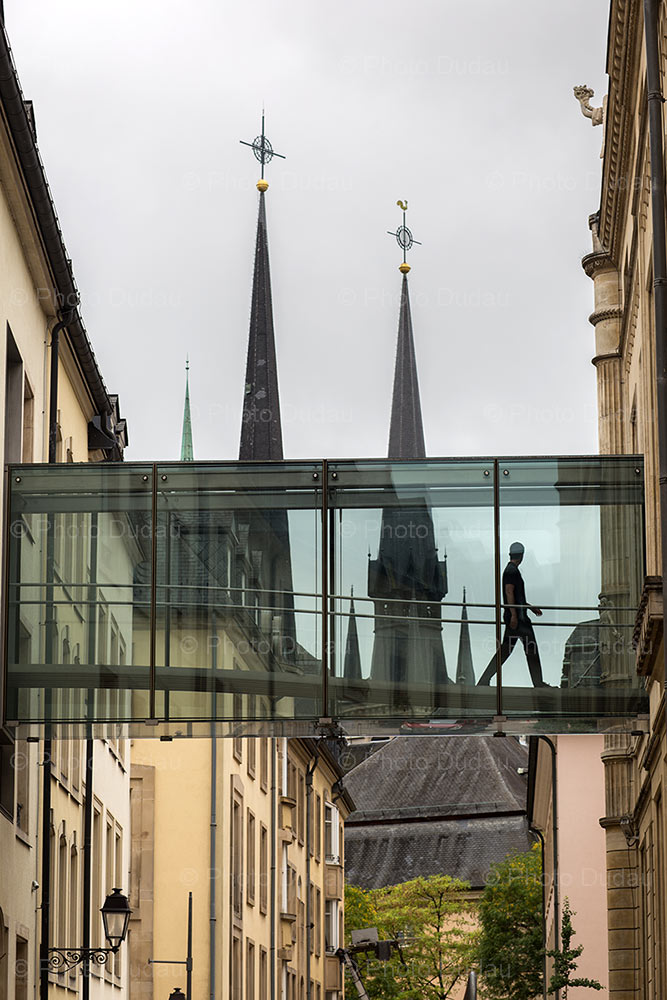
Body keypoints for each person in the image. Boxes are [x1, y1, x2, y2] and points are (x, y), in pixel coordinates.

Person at [477, 541, 550, 688]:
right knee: (530, 649)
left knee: (506, 650)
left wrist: (530, 607)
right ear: (521, 556)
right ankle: (538, 683)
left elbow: (515, 596)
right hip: (518, 619)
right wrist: (515, 616)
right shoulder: (512, 571)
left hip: (518, 616)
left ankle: (484, 680)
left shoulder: (510, 570)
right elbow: (509, 592)